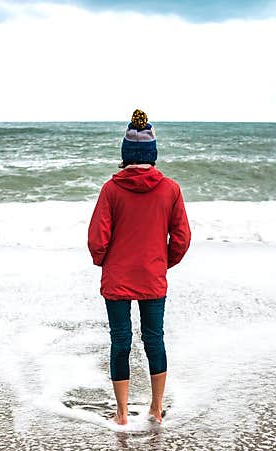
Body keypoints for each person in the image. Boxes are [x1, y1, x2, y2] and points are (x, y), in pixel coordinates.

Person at [87, 109, 191, 426]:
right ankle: (156, 409)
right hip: (152, 276)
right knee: (154, 339)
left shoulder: (111, 189)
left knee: (120, 343)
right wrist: (162, 262)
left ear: (125, 154)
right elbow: (183, 237)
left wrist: (106, 261)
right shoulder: (170, 189)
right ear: (152, 154)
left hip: (118, 278)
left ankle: (121, 414)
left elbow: (96, 240)